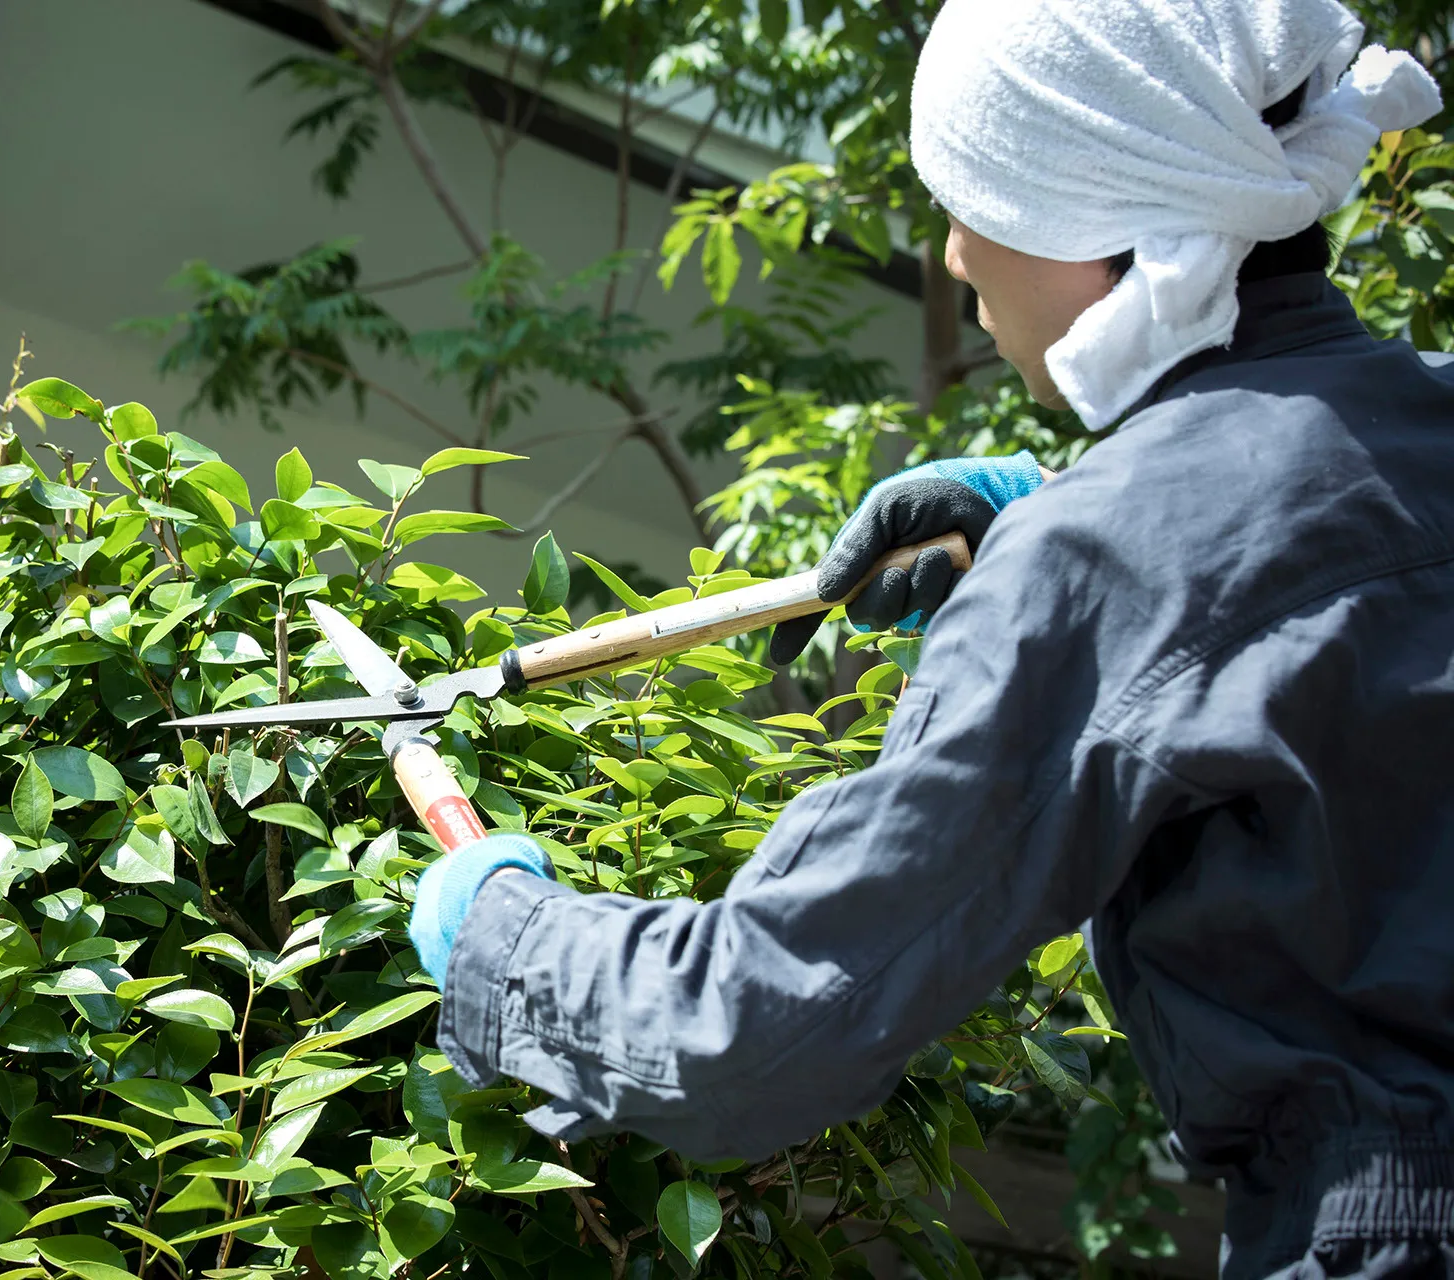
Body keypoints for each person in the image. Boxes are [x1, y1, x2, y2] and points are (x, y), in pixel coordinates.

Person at [407, 0, 1454, 1276]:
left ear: (1101, 225)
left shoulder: (1106, 562)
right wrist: (1051, 516)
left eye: (975, 202)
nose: (955, 257)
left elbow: (751, 1030)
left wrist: (502, 936)